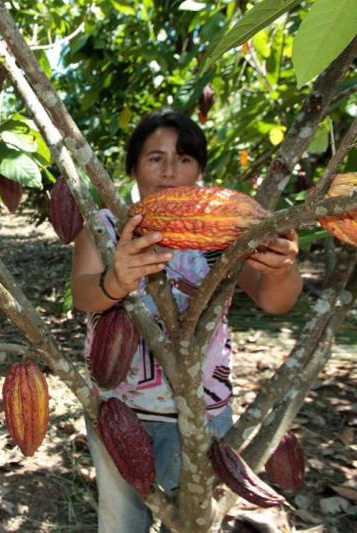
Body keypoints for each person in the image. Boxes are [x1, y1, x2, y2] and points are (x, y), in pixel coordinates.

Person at [71, 111, 302, 532]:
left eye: (184, 159)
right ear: (133, 168)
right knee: (122, 521)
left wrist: (282, 267)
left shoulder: (224, 236)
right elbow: (83, 294)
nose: (170, 172)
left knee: (195, 521)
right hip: (120, 409)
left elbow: (275, 300)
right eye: (154, 158)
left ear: (200, 170)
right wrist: (116, 279)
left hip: (200, 413)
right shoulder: (104, 229)